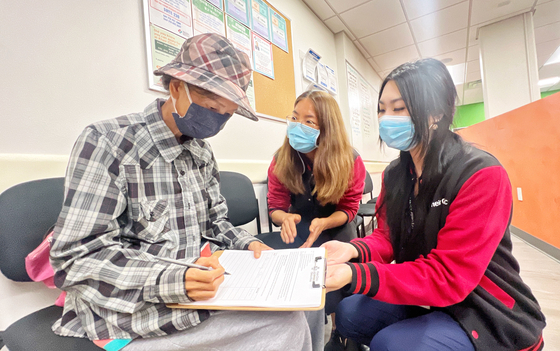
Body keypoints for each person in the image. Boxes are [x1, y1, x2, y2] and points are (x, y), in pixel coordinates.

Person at [50, 33, 313, 351]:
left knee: (296, 308)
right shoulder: (108, 142)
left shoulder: (201, 152)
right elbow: (76, 259)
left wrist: (251, 244)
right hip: (130, 310)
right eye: (213, 106)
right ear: (176, 87)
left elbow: (216, 224)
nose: (217, 121)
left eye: (227, 114)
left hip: (198, 288)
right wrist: (171, 281)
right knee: (285, 325)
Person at [323, 58, 546, 351]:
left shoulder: (480, 174)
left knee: (390, 345)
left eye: (398, 108)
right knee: (350, 313)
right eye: (381, 109)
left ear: (436, 113)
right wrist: (352, 249)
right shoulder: (395, 173)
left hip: (483, 308)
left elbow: (449, 276)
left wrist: (356, 274)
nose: (386, 118)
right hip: (427, 295)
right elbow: (387, 236)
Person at [260, 90, 366, 250]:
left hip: (336, 228)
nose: (297, 125)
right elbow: (275, 206)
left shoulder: (350, 160)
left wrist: (325, 223)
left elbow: (349, 208)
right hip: (299, 230)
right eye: (295, 118)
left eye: (309, 122)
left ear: (328, 128)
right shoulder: (280, 160)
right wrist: (285, 218)